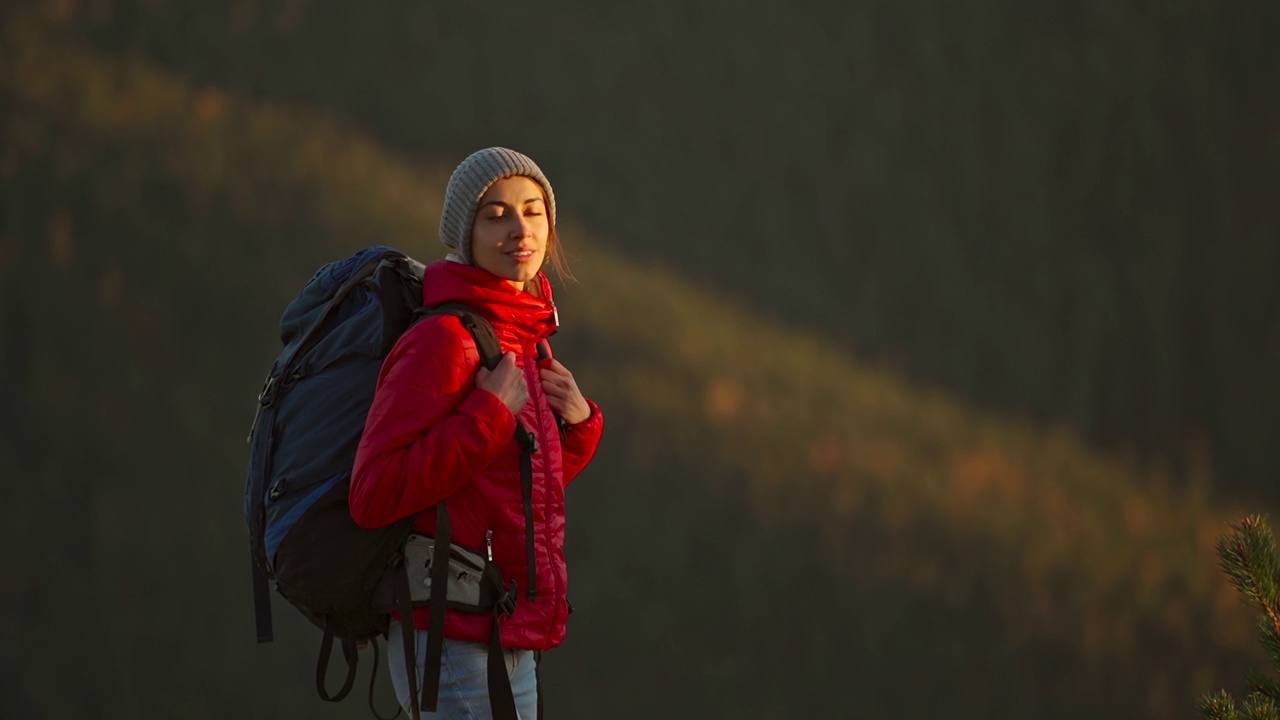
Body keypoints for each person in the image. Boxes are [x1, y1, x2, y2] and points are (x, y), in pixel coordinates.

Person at [349, 147, 604, 719]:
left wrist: (580, 428)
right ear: (464, 234)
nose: (520, 230)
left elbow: (511, 491)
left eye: (533, 211)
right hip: (452, 637)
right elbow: (372, 493)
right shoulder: (445, 340)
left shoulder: (520, 338)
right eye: (496, 214)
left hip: (500, 626)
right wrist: (487, 415)